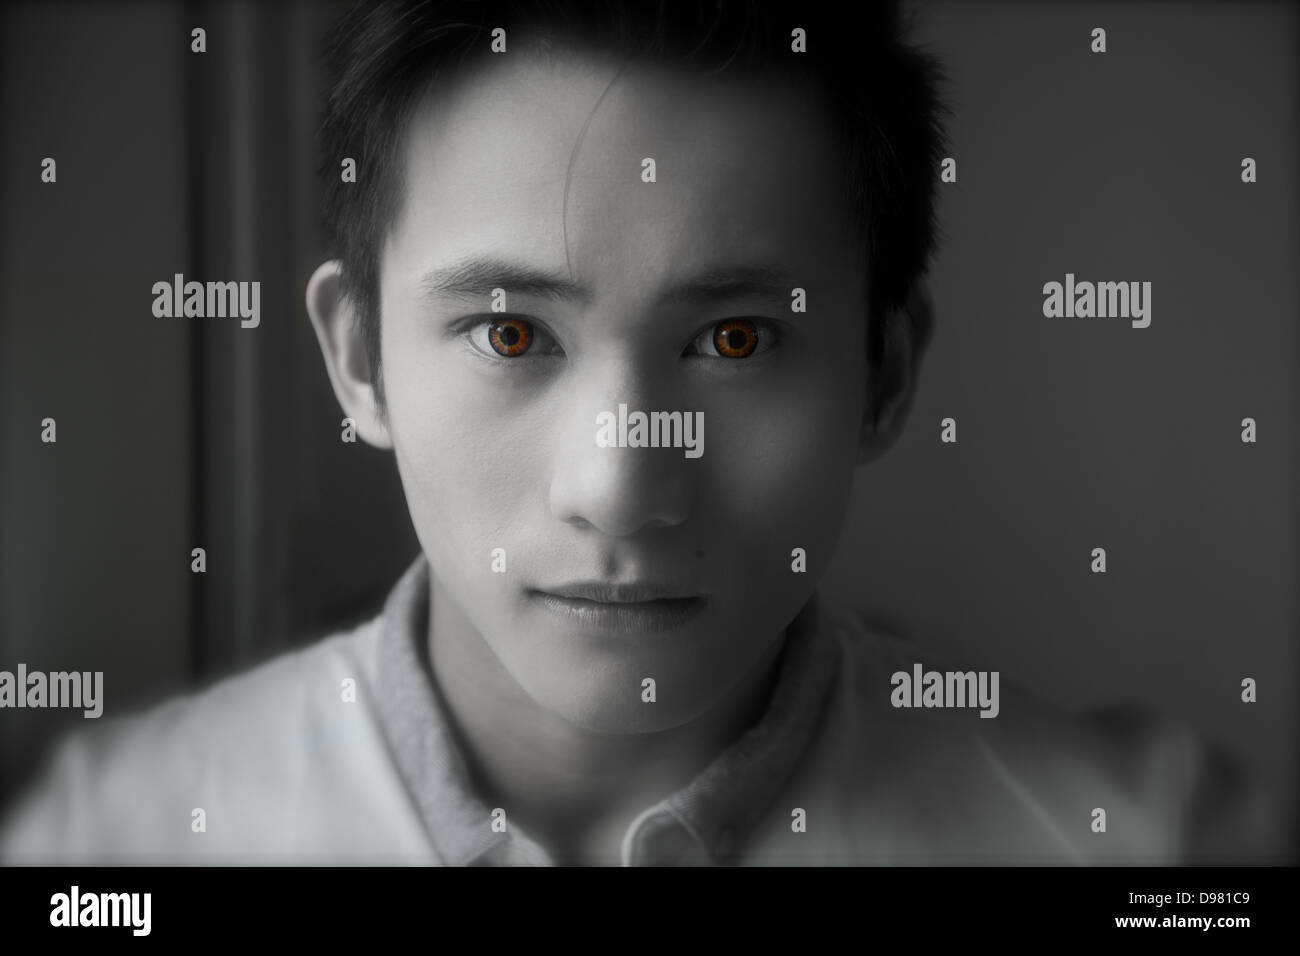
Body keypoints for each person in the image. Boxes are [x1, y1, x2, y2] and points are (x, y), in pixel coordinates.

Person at [0, 0, 1278, 866]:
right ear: (358, 359)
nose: (617, 487)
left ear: (883, 372)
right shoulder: (107, 847)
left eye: (734, 339)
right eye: (511, 336)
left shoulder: (1161, 848)